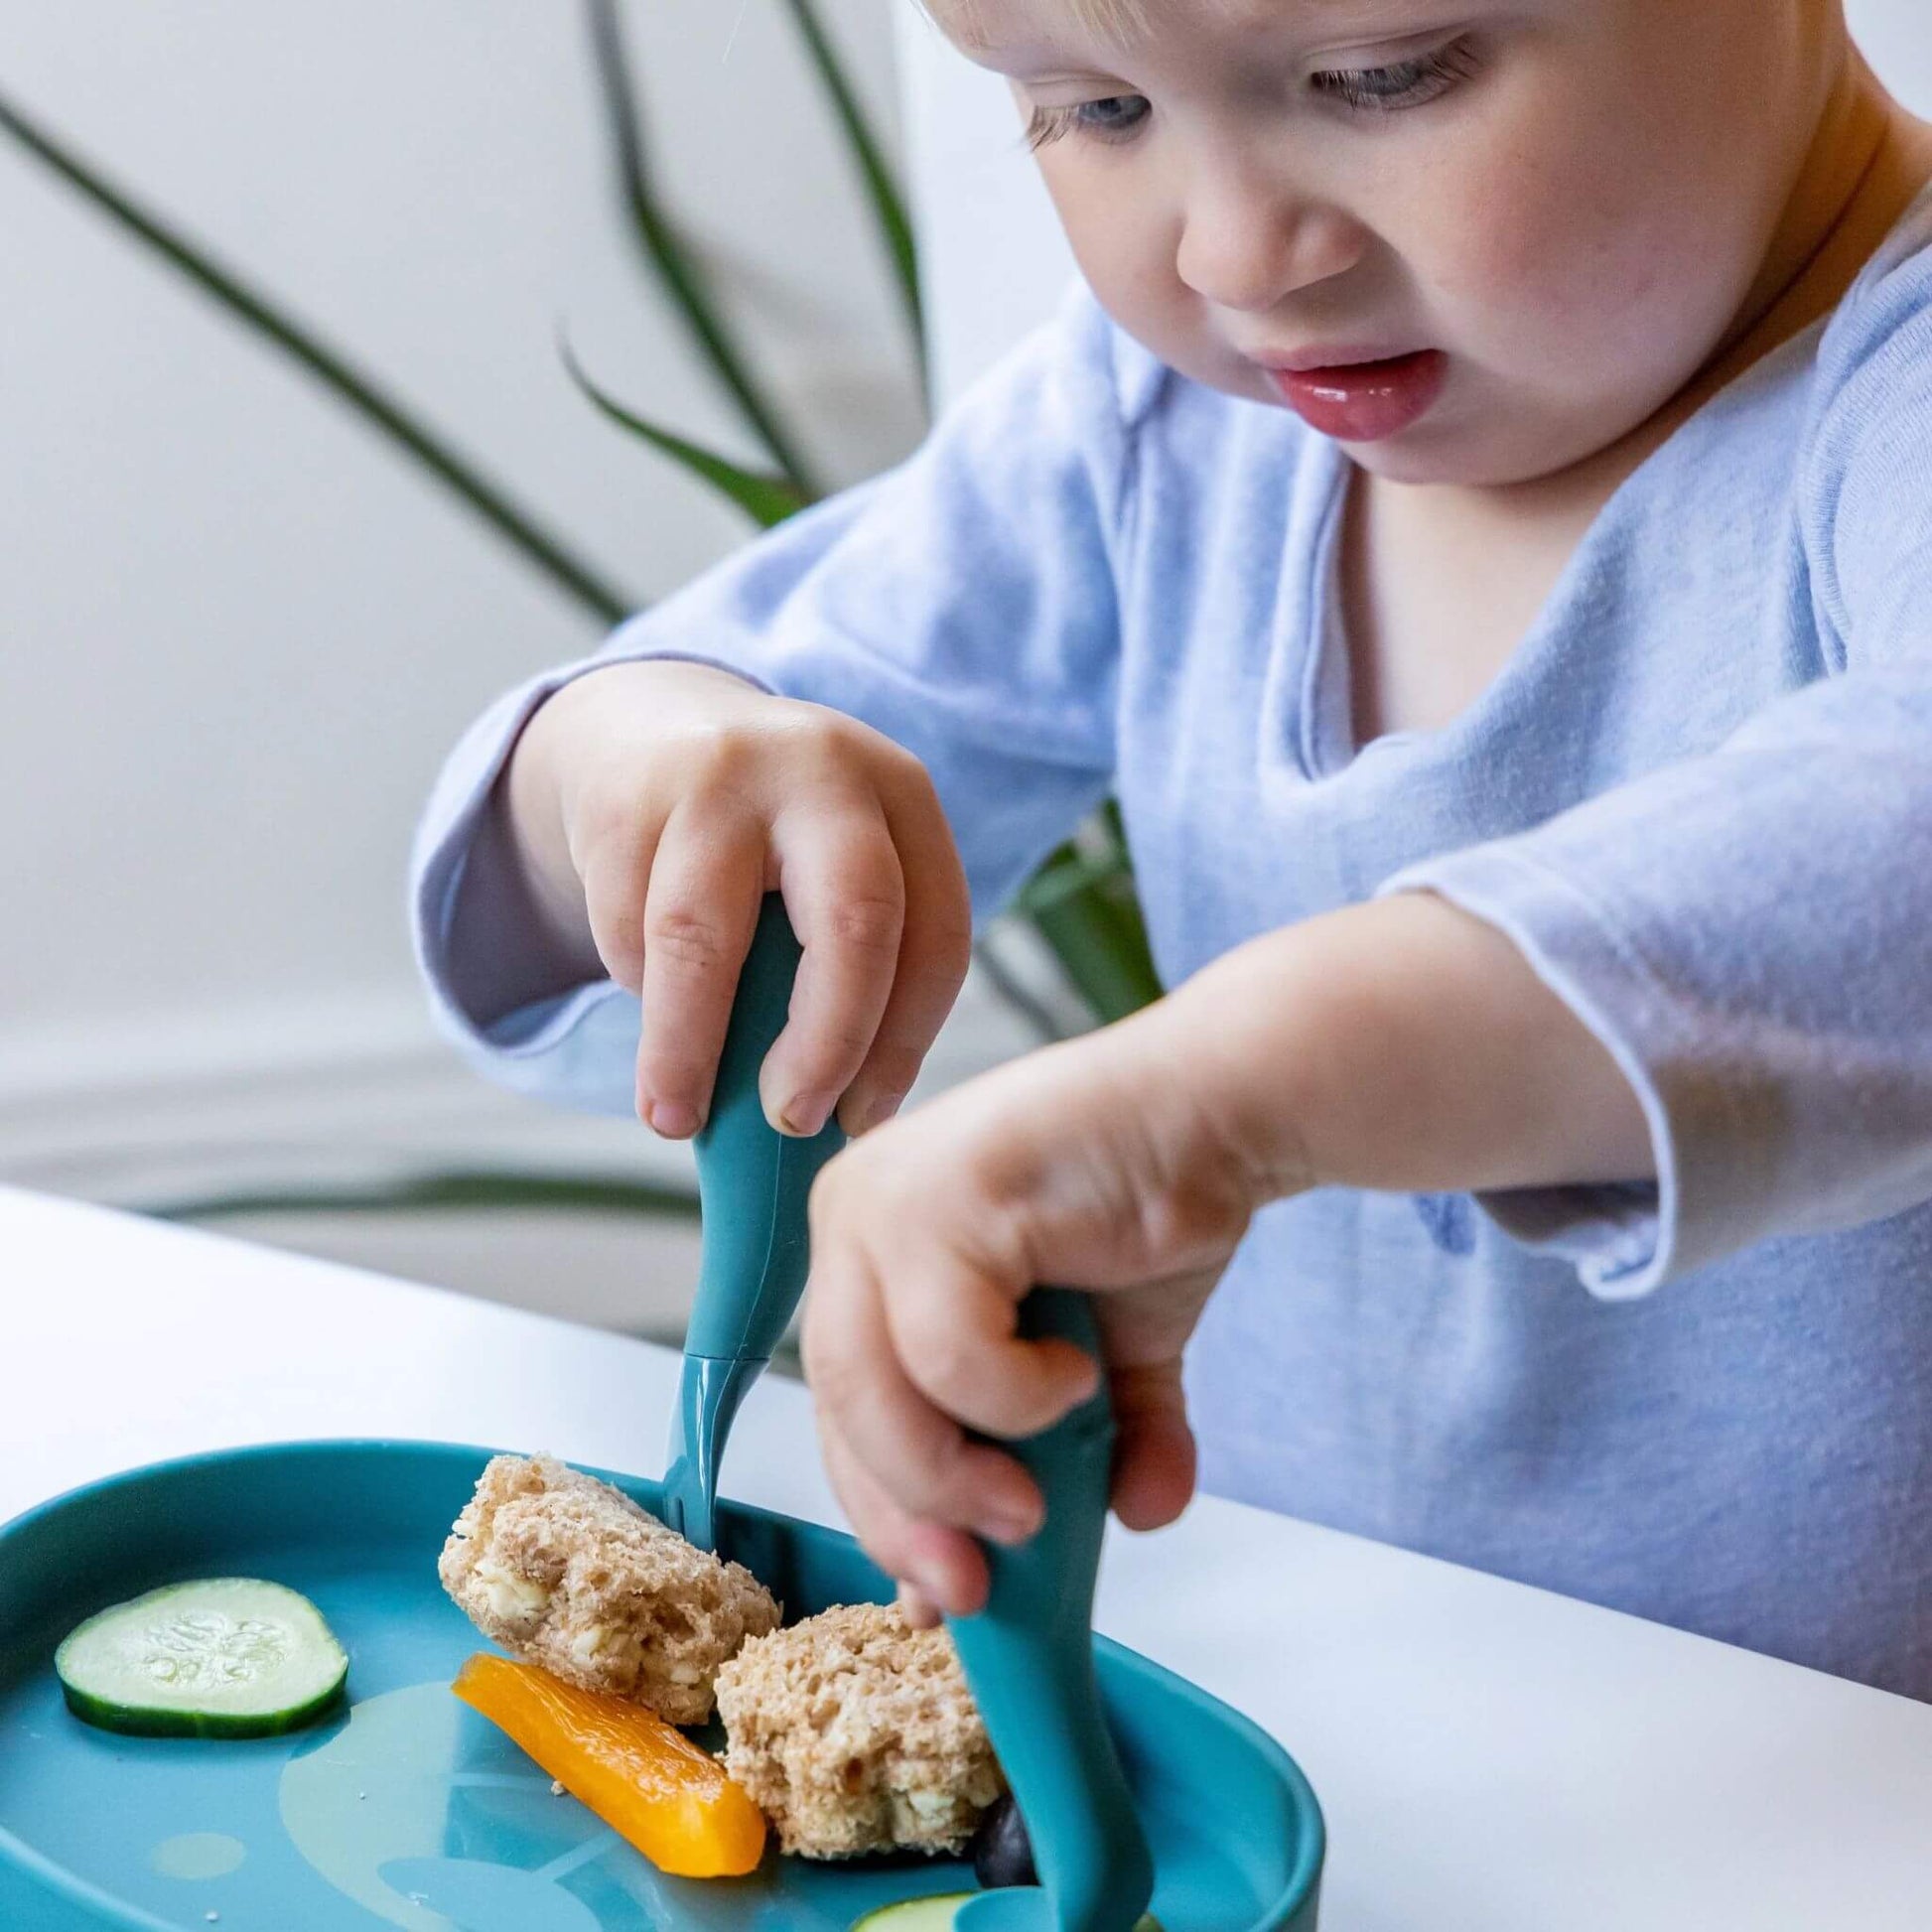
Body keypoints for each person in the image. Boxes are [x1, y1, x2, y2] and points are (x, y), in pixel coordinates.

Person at [414, 0, 1932, 1697]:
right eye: (1093, 109)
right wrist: (639, 772)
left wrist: (1238, 1088)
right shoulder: (1165, 428)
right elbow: (649, 849)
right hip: (1315, 1728)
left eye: (1381, 77)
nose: (1236, 256)